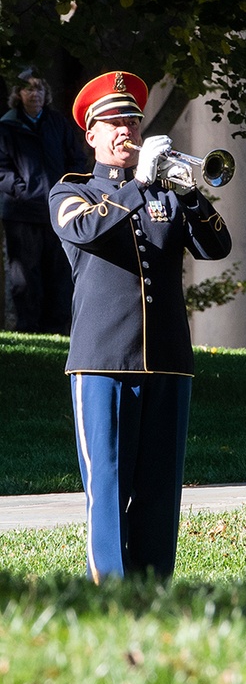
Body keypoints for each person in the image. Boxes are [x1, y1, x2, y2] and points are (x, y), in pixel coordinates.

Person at [49, 70, 232, 581]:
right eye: (113, 122)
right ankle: (111, 589)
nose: (125, 129)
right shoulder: (72, 193)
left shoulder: (166, 196)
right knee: (107, 484)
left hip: (169, 360)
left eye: (131, 119)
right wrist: (140, 188)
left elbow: (217, 247)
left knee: (159, 486)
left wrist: (191, 194)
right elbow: (86, 229)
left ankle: (153, 587)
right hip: (102, 358)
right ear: (91, 135)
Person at [0, 67, 88, 333]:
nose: (34, 93)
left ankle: (58, 329)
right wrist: (22, 191)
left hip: (59, 210)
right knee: (25, 277)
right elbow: (1, 169)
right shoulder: (6, 127)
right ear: (18, 94)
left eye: (39, 88)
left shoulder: (57, 123)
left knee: (60, 273)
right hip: (22, 213)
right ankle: (28, 328)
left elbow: (77, 159)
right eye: (28, 88)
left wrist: (71, 190)